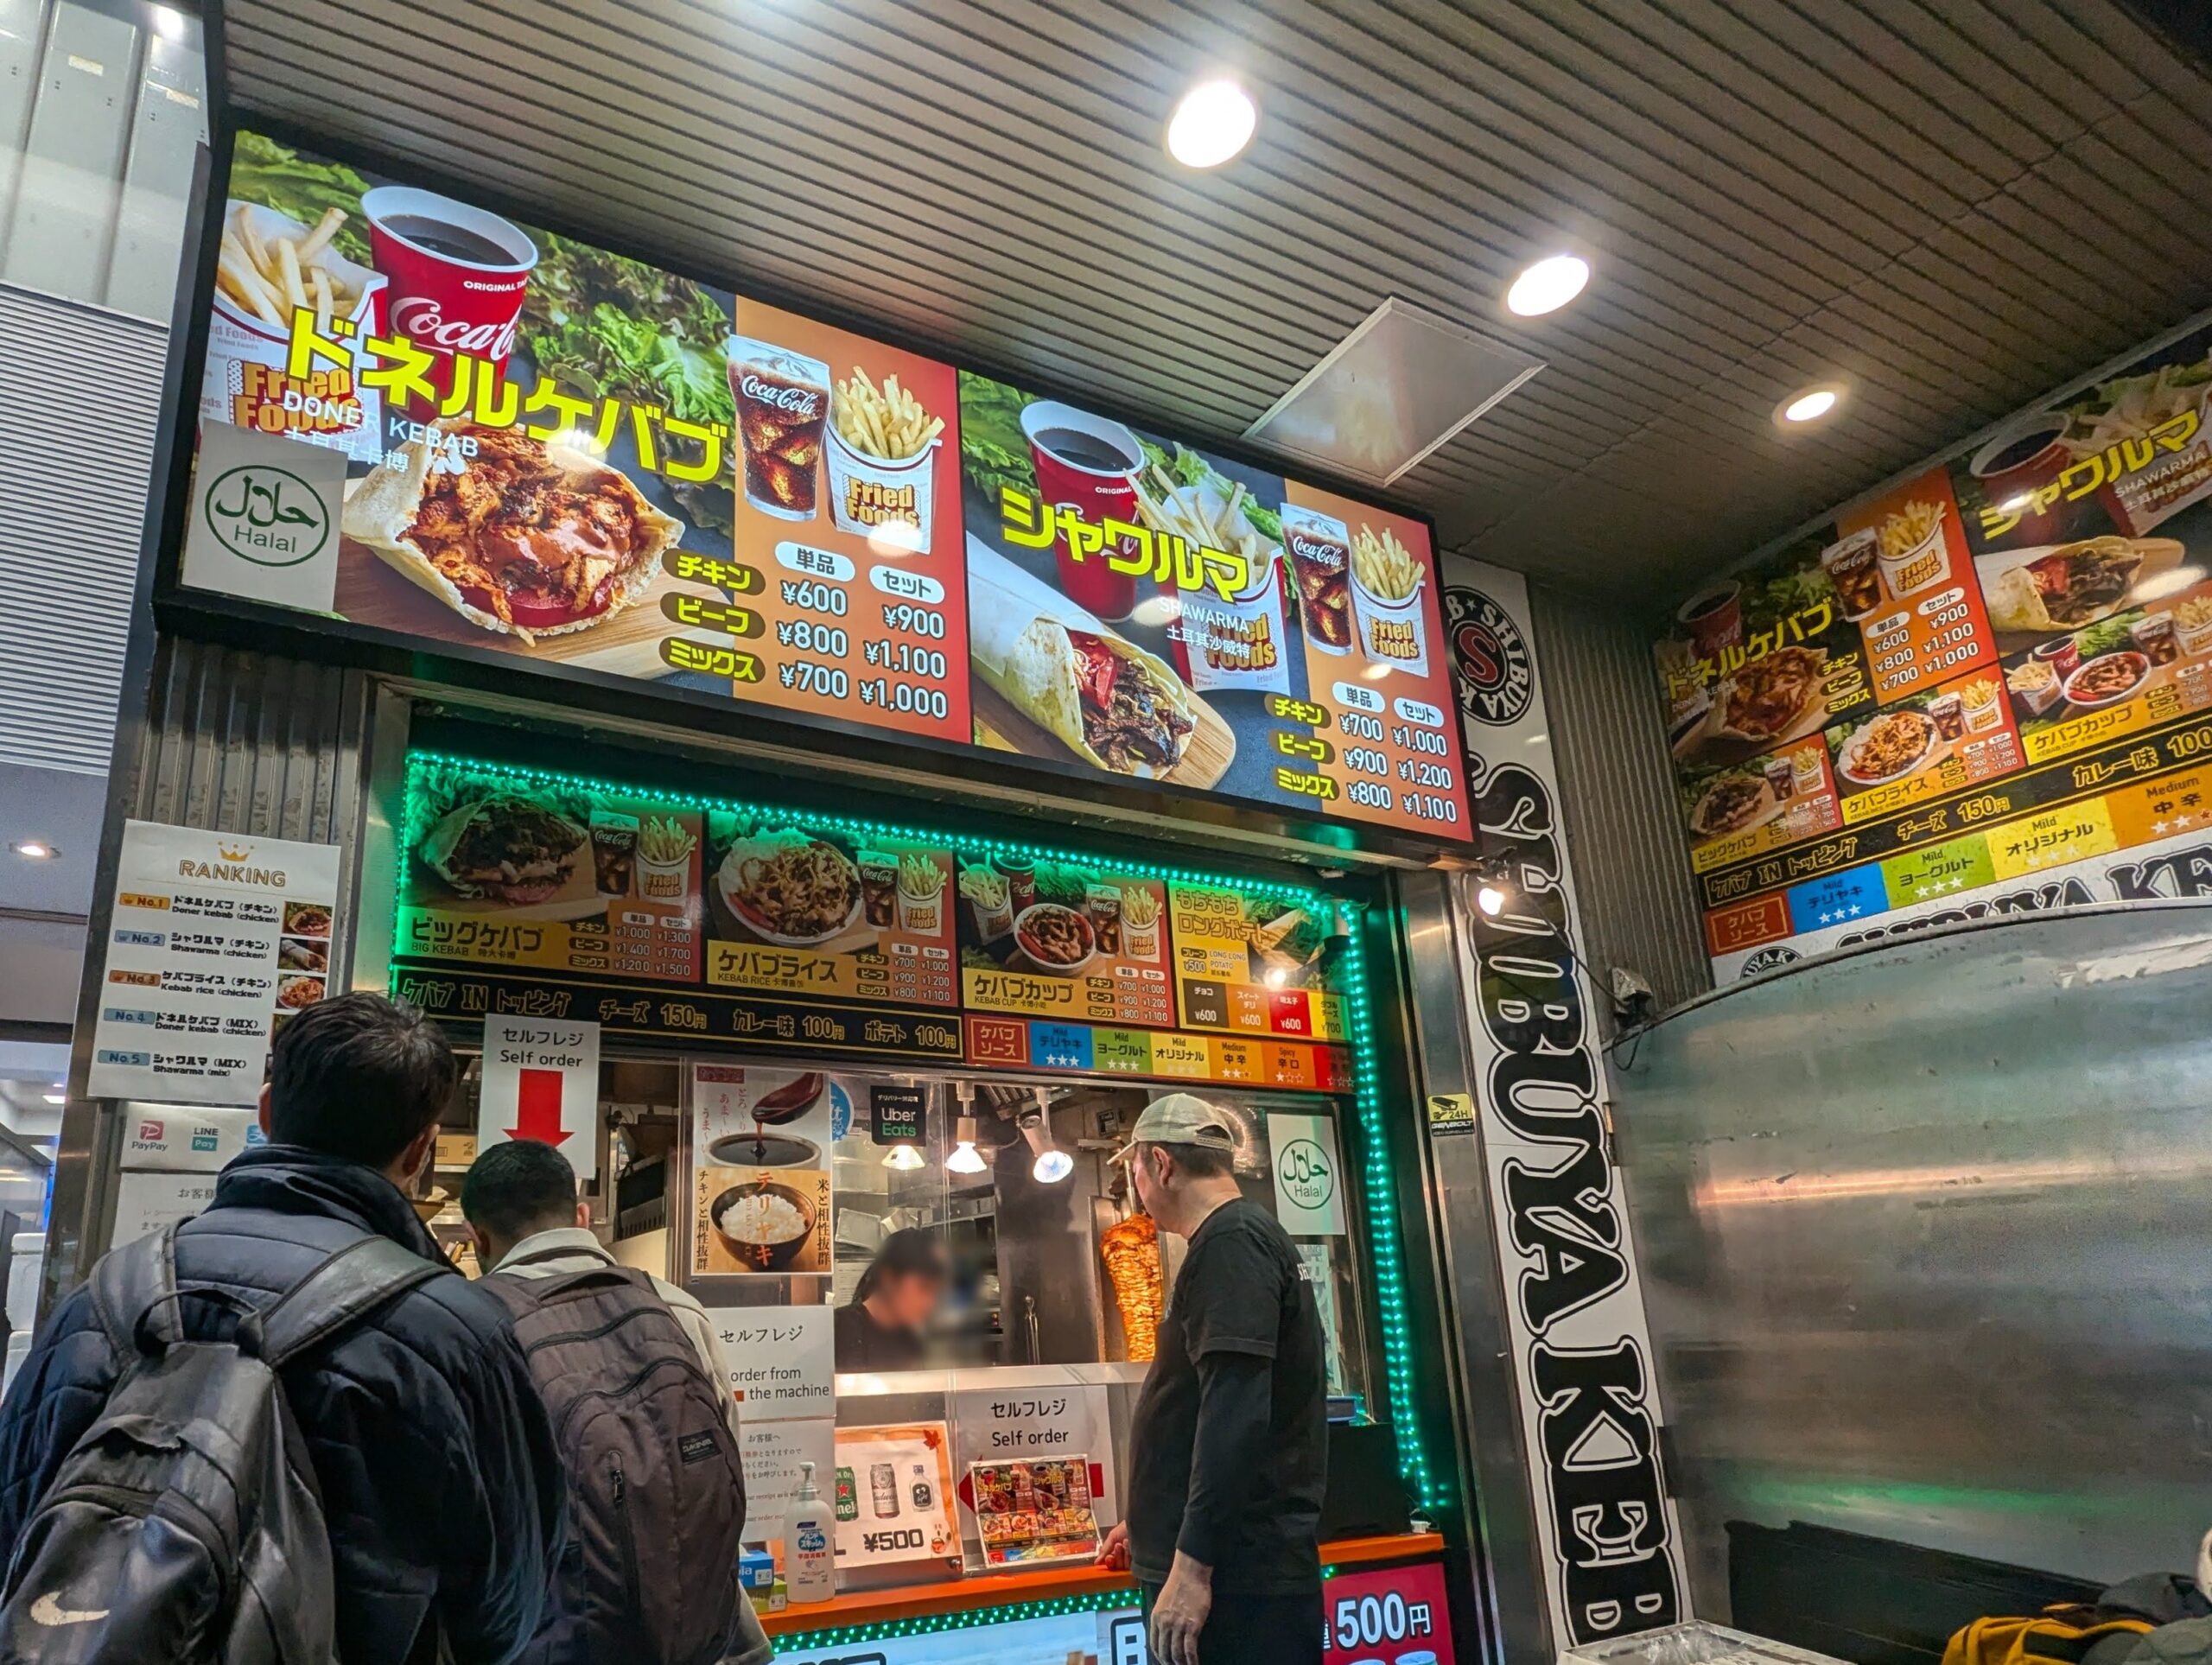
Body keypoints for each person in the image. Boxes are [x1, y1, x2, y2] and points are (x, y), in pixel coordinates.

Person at [0, 992, 564, 1664]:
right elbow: (508, 1604)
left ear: (266, 1112)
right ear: (420, 1150)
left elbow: (17, 1519)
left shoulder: (105, 1298)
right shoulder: (454, 1330)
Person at [463, 1136, 757, 1665]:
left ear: (478, 1237)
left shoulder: (468, 1327)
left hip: (546, 1642)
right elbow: (727, 1470)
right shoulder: (676, 1309)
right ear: (582, 1215)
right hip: (695, 1637)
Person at [1099, 1094, 1328, 1665]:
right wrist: (1152, 1515)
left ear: (1161, 1163)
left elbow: (1236, 1416)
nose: (1138, 1188)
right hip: (1231, 1571)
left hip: (1237, 1584)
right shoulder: (1235, 1239)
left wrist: (1193, 1566)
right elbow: (1206, 1404)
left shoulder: (1231, 1243)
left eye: (1134, 1170)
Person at [833, 1227, 947, 1369]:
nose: (931, 1303)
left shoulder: (911, 1340)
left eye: (937, 1292)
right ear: (889, 1279)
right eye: (924, 1288)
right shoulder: (838, 1328)